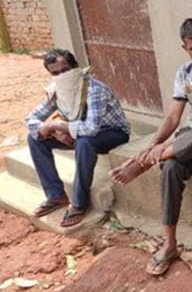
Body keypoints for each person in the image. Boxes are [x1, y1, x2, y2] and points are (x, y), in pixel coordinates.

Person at [109, 18, 192, 276]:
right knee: (171, 168)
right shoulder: (184, 72)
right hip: (188, 141)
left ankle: (145, 163)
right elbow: (173, 117)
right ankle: (170, 243)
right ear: (185, 48)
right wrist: (155, 144)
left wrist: (159, 150)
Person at [26, 48, 130, 227]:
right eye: (56, 73)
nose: (62, 76)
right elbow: (31, 119)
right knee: (34, 138)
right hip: (80, 133)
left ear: (76, 67)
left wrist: (58, 126)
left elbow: (91, 129)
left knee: (84, 142)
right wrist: (55, 131)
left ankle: (79, 202)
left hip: (112, 133)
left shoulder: (94, 89)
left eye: (65, 70)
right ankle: (56, 195)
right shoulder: (57, 91)